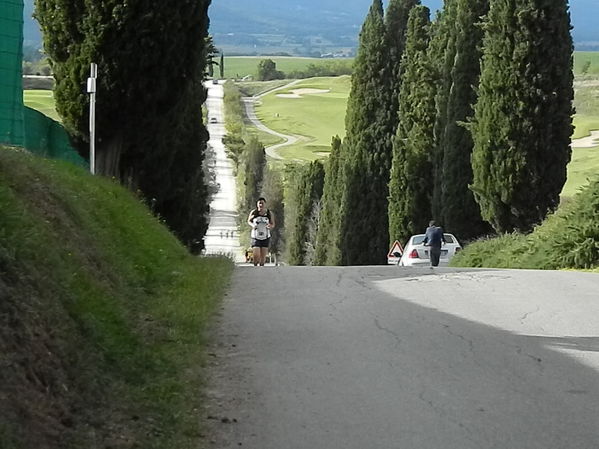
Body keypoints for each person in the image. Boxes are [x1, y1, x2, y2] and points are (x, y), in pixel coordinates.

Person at [247, 197, 275, 266]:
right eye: (259, 203)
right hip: (255, 236)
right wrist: (253, 225)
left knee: (262, 259)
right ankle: (255, 265)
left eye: (262, 203)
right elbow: (249, 221)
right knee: (256, 255)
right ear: (257, 204)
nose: (261, 205)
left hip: (265, 236)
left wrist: (270, 226)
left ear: (265, 204)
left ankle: (260, 272)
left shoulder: (269, 213)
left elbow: (273, 224)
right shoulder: (254, 212)